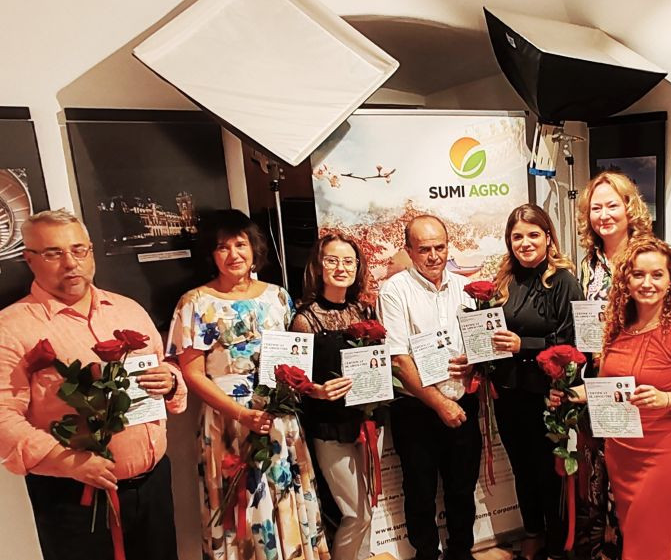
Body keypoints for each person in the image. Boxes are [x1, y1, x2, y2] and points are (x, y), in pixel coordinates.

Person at [0, 209, 187, 560]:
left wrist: (171, 381)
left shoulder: (129, 310)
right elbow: (3, 417)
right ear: (29, 259)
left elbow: (166, 368)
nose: (71, 263)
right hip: (75, 496)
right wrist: (66, 461)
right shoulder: (10, 327)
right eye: (54, 253)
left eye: (78, 250)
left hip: (152, 486)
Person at [167, 209, 329, 560]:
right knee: (238, 509)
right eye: (222, 247)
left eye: (240, 244)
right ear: (211, 254)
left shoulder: (277, 297)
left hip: (277, 418)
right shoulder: (195, 302)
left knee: (283, 498)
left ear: (254, 248)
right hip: (227, 420)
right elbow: (192, 373)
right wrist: (241, 414)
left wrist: (310, 388)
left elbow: (294, 358)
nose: (233, 254)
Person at [576, 170, 671, 560]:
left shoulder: (661, 253)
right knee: (624, 523)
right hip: (615, 407)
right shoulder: (588, 264)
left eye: (612, 205)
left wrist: (662, 333)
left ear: (629, 207)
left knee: (655, 531)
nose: (604, 214)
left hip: (660, 409)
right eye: (596, 208)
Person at [378, 215, 480, 560]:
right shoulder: (394, 291)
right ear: (409, 250)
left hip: (463, 401)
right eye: (424, 249)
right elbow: (398, 359)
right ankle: (425, 554)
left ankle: (461, 552)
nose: (434, 256)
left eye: (440, 247)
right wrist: (439, 403)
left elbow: (477, 343)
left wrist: (474, 361)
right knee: (419, 490)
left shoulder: (466, 288)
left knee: (462, 488)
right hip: (417, 408)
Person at [490, 204, 584, 560]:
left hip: (547, 394)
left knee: (549, 471)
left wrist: (523, 345)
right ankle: (532, 532)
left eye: (533, 235)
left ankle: (559, 544)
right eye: (517, 237)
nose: (525, 243)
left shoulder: (563, 281)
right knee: (522, 469)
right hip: (509, 392)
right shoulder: (505, 280)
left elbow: (572, 341)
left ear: (548, 237)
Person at [289, 233, 388, 560]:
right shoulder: (305, 319)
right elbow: (292, 380)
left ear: (357, 267)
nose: (341, 268)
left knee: (369, 507)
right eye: (332, 260)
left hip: (368, 420)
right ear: (319, 266)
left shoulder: (365, 309)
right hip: (330, 426)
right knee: (355, 513)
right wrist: (318, 390)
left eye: (348, 261)